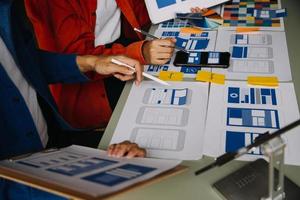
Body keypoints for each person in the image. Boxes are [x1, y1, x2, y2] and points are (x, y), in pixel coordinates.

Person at [0, 0, 145, 199]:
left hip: (56, 147)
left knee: (141, 157)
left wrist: (92, 62)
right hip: (22, 182)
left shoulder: (6, 10)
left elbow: (26, 63)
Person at [24, 0, 176, 129]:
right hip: (85, 85)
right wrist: (140, 51)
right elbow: (76, 57)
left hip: (122, 52)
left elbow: (143, 15)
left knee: (176, 80)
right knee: (165, 110)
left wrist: (184, 10)